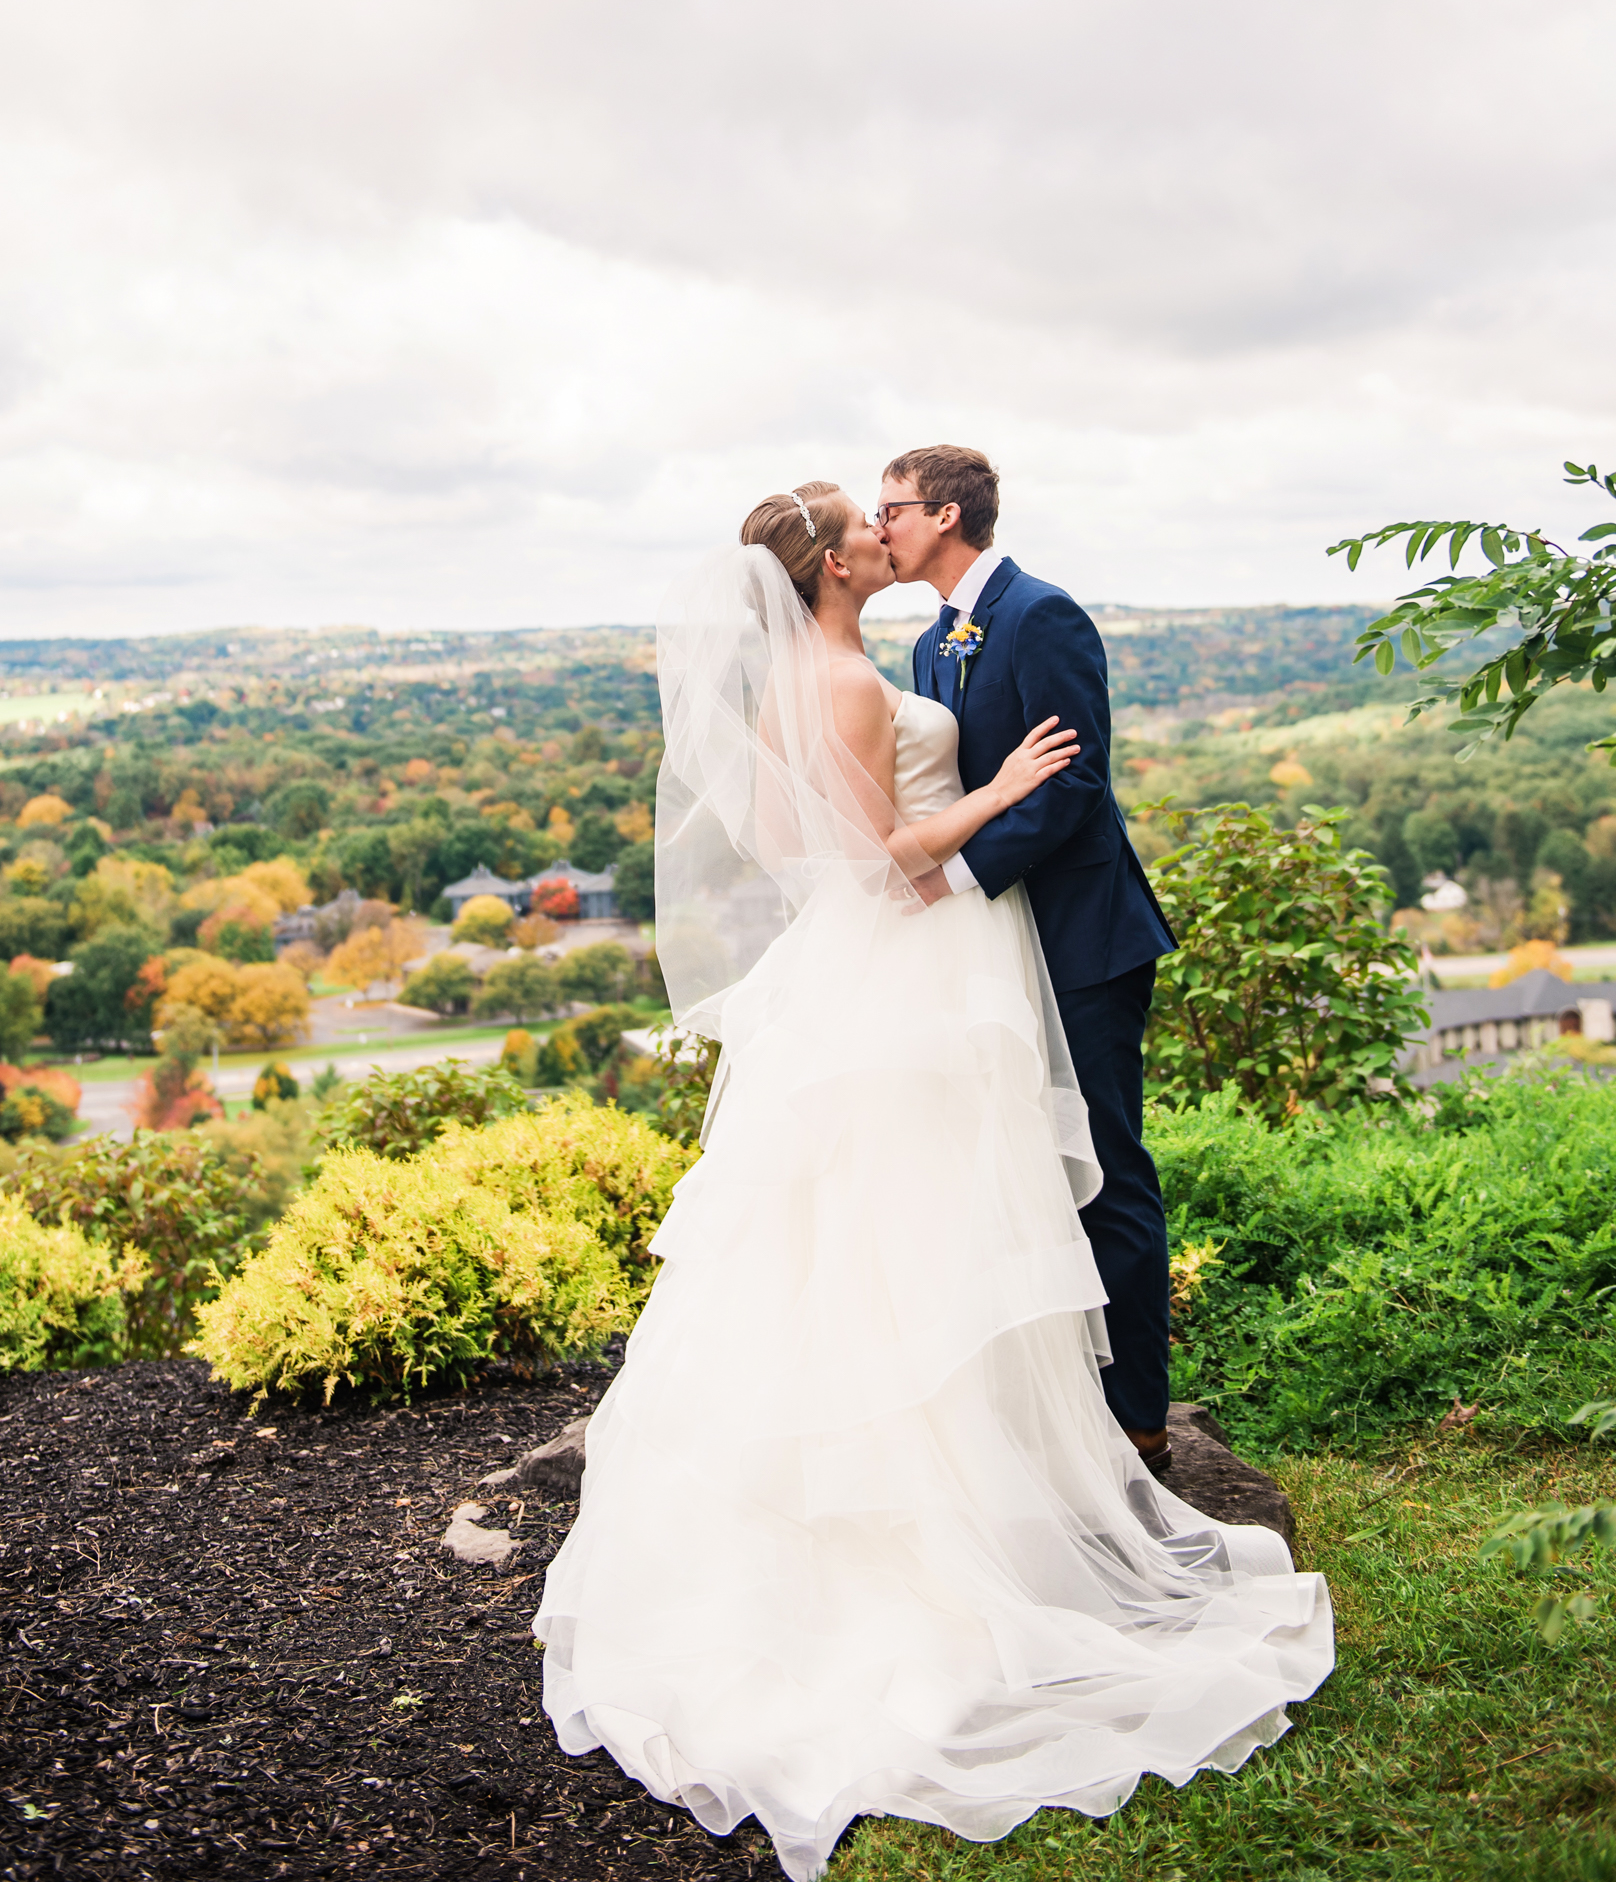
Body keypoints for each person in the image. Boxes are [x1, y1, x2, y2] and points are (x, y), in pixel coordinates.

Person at [534, 482, 1333, 1882]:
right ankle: (941, 1526)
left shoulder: (844, 664)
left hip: (892, 978)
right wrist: (1002, 793)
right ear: (839, 561)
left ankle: (1005, 1471)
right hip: (912, 970)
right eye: (863, 519)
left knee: (894, 1232)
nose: (880, 529)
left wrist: (979, 804)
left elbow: (819, 847)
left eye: (892, 508)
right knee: (921, 1231)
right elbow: (881, 862)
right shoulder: (846, 677)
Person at [877, 445, 1176, 1471]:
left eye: (895, 509)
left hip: (1079, 938)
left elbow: (1071, 785)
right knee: (1015, 1173)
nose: (879, 529)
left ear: (950, 513)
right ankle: (1049, 1406)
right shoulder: (926, 645)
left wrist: (948, 886)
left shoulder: (1041, 614)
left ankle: (1138, 1420)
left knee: (1105, 1173)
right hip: (986, 957)